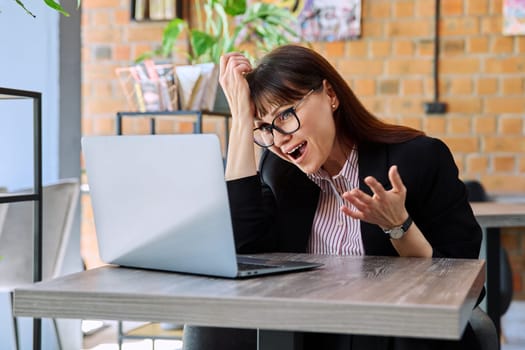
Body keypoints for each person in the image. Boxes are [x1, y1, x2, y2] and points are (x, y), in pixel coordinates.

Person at [182, 44, 483, 350]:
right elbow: (242, 249)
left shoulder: (419, 158)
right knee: (212, 324)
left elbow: (464, 280)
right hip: (311, 333)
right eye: (265, 128)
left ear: (330, 94)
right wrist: (241, 122)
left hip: (396, 334)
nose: (280, 139)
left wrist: (399, 227)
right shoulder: (279, 171)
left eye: (286, 114)